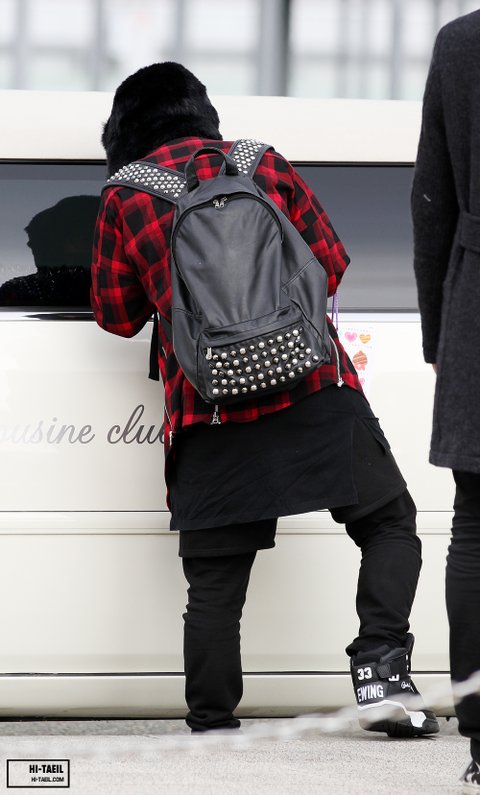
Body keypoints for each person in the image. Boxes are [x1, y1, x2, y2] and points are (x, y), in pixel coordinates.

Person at [91, 61, 439, 738]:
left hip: (209, 405)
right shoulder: (261, 162)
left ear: (126, 130)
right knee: (389, 523)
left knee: (215, 582)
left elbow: (116, 315)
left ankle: (213, 721)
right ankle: (380, 669)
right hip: (313, 385)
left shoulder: (125, 195)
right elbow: (330, 262)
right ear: (202, 113)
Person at [412, 10, 480, 791]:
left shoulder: (460, 44)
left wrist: (441, 332)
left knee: (477, 527)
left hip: (478, 309)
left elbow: (429, 200)